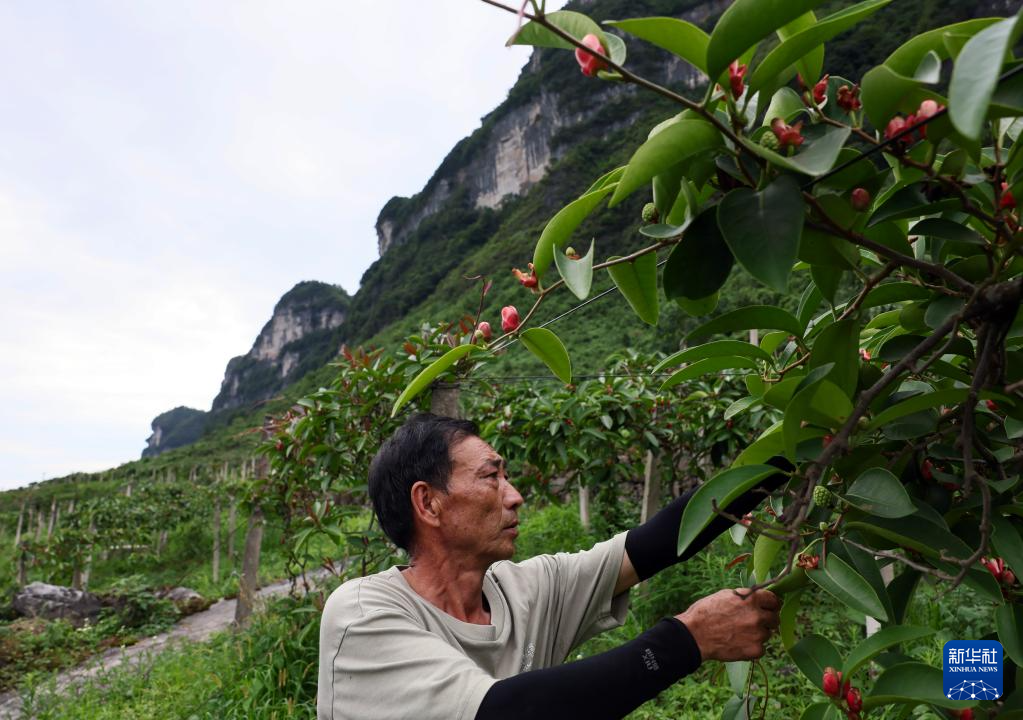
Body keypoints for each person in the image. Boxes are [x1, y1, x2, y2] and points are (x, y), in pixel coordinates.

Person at [317, 413, 785, 720]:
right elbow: (510, 712)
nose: (514, 494)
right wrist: (689, 638)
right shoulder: (362, 615)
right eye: (491, 476)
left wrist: (785, 462)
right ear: (429, 502)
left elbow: (648, 546)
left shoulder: (520, 588)